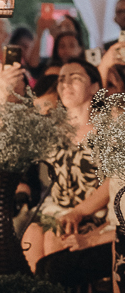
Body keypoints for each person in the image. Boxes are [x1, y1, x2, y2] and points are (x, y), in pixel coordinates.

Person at [22, 61, 112, 277]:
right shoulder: (52, 129)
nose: (66, 84)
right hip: (56, 211)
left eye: (75, 78)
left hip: (92, 215)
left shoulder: (108, 130)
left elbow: (114, 182)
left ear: (94, 87)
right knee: (31, 233)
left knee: (54, 237)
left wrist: (78, 212)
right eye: (62, 79)